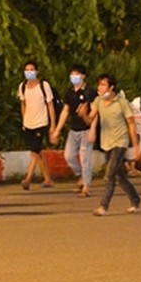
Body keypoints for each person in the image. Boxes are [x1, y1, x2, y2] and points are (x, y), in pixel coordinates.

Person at [89, 74, 141, 216]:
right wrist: (83, 115)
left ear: (111, 88)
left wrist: (135, 145)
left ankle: (103, 206)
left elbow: (131, 123)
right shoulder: (98, 101)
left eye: (103, 85)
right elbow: (90, 118)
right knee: (119, 176)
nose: (100, 88)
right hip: (106, 143)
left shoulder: (121, 102)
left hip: (120, 142)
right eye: (99, 84)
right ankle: (135, 199)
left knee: (109, 175)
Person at [52, 64, 97, 197]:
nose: (74, 77)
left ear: (83, 76)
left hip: (86, 129)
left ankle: (86, 186)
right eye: (72, 74)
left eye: (76, 74)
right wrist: (57, 130)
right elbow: (65, 111)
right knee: (69, 156)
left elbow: (96, 112)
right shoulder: (70, 92)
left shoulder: (90, 92)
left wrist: (93, 130)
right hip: (74, 130)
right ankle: (81, 176)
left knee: (85, 158)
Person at [17, 60, 56, 189]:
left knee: (34, 151)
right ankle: (48, 179)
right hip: (28, 123)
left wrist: (53, 125)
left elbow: (50, 105)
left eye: (31, 70)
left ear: (37, 71)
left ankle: (28, 179)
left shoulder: (44, 86)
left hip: (41, 122)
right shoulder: (22, 86)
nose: (29, 72)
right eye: (26, 70)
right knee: (37, 152)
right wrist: (24, 120)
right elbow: (23, 104)